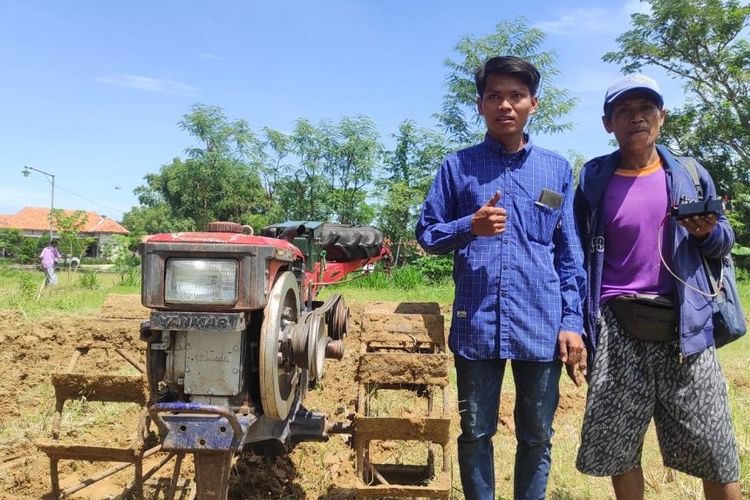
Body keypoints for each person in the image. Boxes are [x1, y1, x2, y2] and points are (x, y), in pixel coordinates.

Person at [416, 56, 587, 500]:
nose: (505, 105)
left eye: (516, 96)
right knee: (475, 433)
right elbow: (427, 235)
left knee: (537, 436)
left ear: (534, 103)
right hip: (478, 325)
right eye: (494, 96)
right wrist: (468, 226)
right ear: (480, 105)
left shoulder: (556, 170)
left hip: (541, 323)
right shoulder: (457, 167)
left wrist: (572, 321)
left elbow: (569, 253)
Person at [574, 74, 741, 500]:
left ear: (661, 117)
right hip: (617, 325)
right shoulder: (593, 180)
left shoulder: (689, 173)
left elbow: (723, 243)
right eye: (624, 112)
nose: (636, 119)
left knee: (714, 445)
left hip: (685, 324)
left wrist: (706, 233)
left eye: (646, 109)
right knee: (619, 443)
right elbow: (578, 255)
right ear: (607, 123)